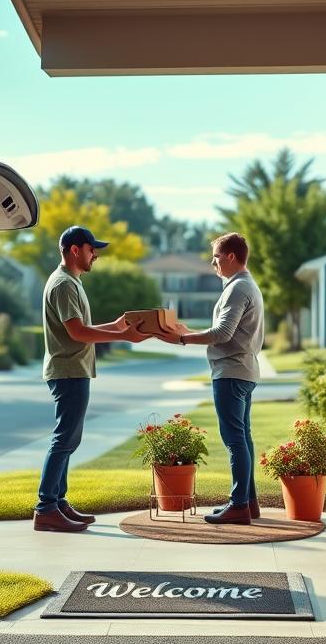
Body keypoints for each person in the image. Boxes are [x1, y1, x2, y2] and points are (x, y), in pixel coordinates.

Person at [34, 225, 149, 532]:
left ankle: (58, 503)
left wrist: (115, 326)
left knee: (69, 439)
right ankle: (46, 507)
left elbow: (81, 328)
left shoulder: (71, 282)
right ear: (75, 250)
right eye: (91, 249)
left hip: (73, 370)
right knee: (64, 439)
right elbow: (77, 332)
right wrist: (123, 335)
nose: (95, 254)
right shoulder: (63, 285)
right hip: (68, 371)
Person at [157, 232, 265, 525]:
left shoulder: (237, 289)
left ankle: (239, 504)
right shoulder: (246, 285)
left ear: (231, 257)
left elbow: (222, 334)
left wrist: (182, 339)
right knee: (243, 438)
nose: (213, 263)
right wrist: (184, 329)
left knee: (235, 441)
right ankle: (249, 502)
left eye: (216, 257)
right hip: (243, 371)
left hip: (230, 373)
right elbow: (225, 330)